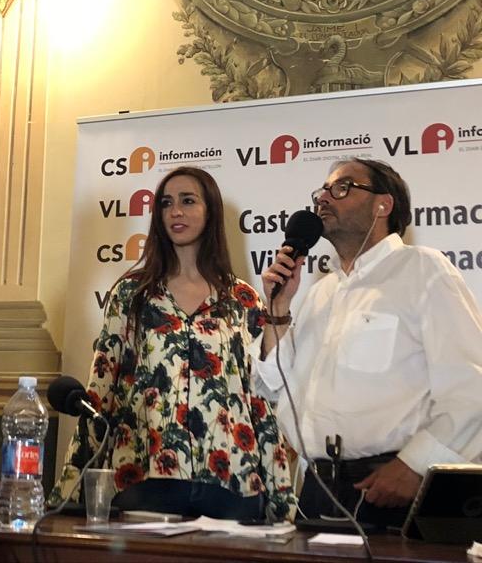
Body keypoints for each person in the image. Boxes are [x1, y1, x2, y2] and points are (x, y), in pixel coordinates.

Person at [50, 166, 296, 521]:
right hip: (145, 476)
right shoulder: (131, 294)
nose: (175, 211)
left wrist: (280, 496)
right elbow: (101, 391)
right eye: (166, 203)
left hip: (231, 481)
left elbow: (260, 397)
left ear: (210, 211)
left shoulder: (242, 299)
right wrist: (71, 488)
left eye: (188, 201)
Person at [258, 157, 482, 528]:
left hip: (391, 487)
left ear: (383, 205)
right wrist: (278, 309)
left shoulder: (422, 270)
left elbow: (471, 387)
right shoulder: (319, 293)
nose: (324, 198)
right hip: (318, 490)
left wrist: (416, 466)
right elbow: (271, 384)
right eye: (322, 191)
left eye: (341, 187)